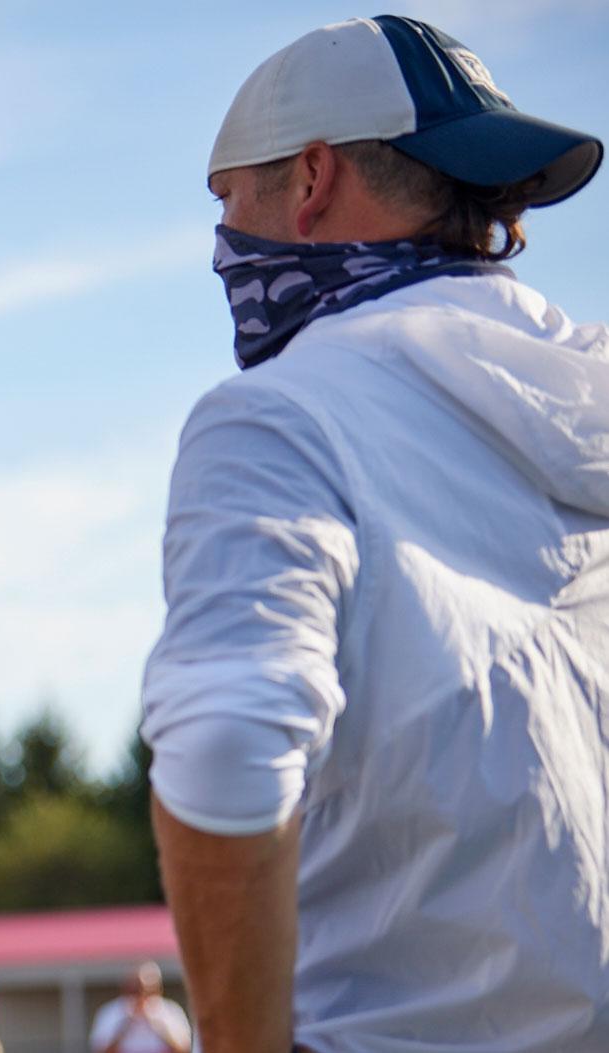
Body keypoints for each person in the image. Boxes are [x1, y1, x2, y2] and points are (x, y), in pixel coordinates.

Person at [141, 15, 607, 1053]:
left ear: (308, 179)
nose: (223, 240)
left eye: (229, 198)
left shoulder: (277, 418)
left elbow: (224, 748)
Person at [88, 963, 190, 1053]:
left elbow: (184, 1049)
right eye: (135, 990)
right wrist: (126, 1026)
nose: (141, 996)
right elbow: (100, 1050)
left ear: (158, 989)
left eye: (148, 990)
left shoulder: (171, 1011)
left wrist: (157, 1025)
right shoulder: (111, 1012)